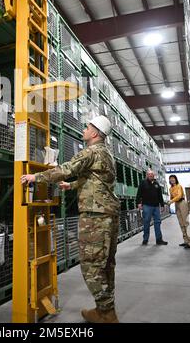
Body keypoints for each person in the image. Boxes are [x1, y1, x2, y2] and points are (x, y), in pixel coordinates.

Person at [21, 115, 120, 324]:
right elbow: (98, 181)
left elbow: (66, 169)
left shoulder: (90, 151)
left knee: (92, 266)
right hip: (109, 215)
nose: (84, 130)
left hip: (95, 217)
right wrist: (72, 186)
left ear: (94, 133)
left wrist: (35, 177)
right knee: (106, 265)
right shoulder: (107, 154)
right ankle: (103, 310)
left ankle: (107, 314)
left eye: (87, 127)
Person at [136, 170, 168, 245]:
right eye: (149, 174)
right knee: (146, 222)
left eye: (152, 175)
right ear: (147, 175)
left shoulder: (157, 184)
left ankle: (159, 239)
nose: (150, 176)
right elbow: (139, 194)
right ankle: (145, 239)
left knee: (157, 222)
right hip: (147, 205)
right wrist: (138, 203)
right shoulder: (143, 183)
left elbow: (160, 195)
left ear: (154, 176)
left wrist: (162, 205)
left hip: (156, 206)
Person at [169, 175, 190, 249]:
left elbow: (179, 196)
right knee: (181, 223)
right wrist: (170, 200)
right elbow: (172, 197)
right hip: (176, 204)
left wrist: (171, 201)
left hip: (182, 203)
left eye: (173, 178)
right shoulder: (170, 188)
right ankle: (186, 241)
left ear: (175, 179)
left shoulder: (179, 186)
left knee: (186, 223)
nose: (172, 180)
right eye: (170, 179)